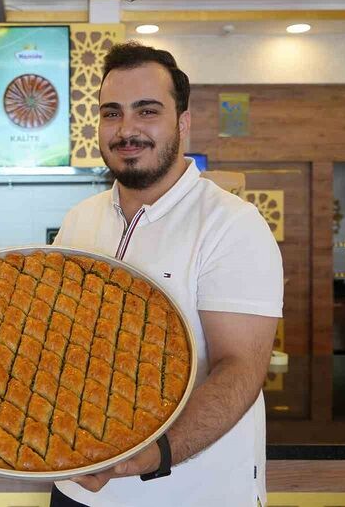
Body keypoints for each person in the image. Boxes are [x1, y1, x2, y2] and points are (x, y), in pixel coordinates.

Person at [52, 42, 283, 506]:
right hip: (77, 489)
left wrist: (153, 455)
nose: (127, 129)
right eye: (111, 113)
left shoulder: (231, 224)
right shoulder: (80, 219)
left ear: (183, 122)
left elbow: (240, 369)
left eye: (147, 111)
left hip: (191, 493)